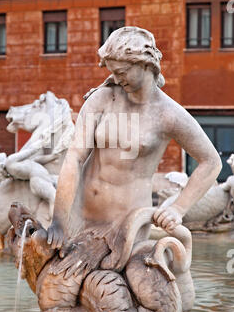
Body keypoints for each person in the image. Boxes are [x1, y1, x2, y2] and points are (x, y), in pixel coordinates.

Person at [47, 26, 222, 272]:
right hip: (80, 217)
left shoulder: (168, 114)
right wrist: (58, 220)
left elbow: (211, 162)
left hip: (127, 228)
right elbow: (74, 158)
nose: (117, 79)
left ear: (144, 64)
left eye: (122, 72)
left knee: (119, 300)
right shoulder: (102, 99)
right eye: (113, 73)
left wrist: (177, 208)